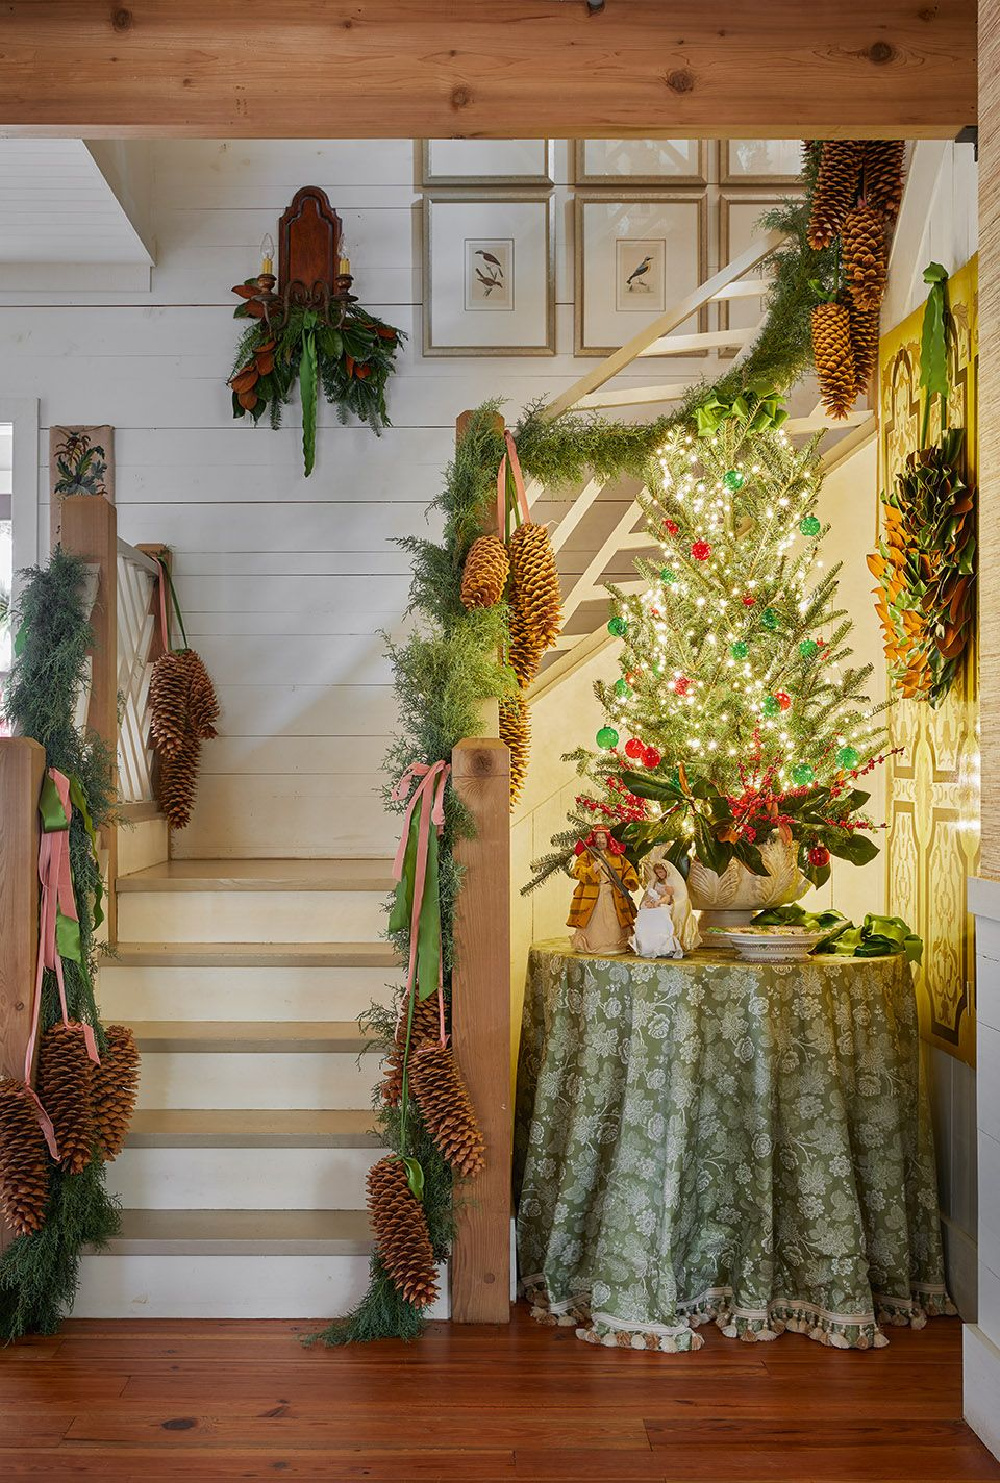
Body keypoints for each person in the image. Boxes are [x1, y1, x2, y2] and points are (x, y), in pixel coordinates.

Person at [567, 827, 640, 955]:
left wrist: (629, 880)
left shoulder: (616, 855)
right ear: (594, 839)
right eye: (598, 838)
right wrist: (592, 869)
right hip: (593, 893)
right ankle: (594, 944)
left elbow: (628, 869)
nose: (600, 840)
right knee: (594, 920)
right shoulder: (587, 855)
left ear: (607, 839)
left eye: (603, 837)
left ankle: (616, 944)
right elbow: (577, 871)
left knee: (614, 919)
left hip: (613, 893)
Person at [632, 861, 685, 959]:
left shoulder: (669, 883)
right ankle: (648, 944)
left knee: (661, 912)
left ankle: (662, 944)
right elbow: (649, 894)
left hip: (664, 904)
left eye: (661, 872)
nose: (659, 875)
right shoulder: (654, 882)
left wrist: (659, 903)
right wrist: (648, 902)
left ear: (666, 871)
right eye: (657, 873)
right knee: (644, 910)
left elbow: (668, 898)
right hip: (654, 902)